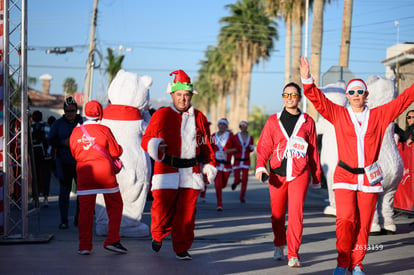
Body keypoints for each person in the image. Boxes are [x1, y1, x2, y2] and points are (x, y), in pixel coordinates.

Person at [299, 56, 414, 275]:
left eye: (359, 92)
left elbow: (404, 100)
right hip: (344, 177)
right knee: (344, 220)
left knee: (364, 224)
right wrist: (306, 79)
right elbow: (318, 100)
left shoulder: (380, 115)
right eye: (351, 92)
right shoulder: (339, 114)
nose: (355, 96)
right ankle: (343, 263)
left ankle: (357, 263)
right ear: (347, 96)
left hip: (370, 179)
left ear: (366, 94)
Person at [141, 69, 217, 261]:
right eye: (179, 95)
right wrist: (156, 145)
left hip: (191, 173)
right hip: (166, 170)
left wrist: (209, 166)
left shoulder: (199, 117)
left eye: (186, 95)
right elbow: (146, 139)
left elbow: (207, 145)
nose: (183, 99)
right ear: (172, 95)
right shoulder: (161, 114)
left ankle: (182, 248)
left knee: (186, 216)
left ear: (191, 96)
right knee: (161, 211)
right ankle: (158, 234)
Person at [255, 81, 321, 268]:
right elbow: (264, 147)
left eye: (293, 95)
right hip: (277, 175)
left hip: (299, 174)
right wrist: (261, 166)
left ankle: (293, 253)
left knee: (296, 214)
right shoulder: (272, 121)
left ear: (299, 98)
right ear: (283, 98)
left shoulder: (308, 121)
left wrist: (316, 176)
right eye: (286, 95)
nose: (290, 98)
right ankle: (278, 244)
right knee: (277, 215)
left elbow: (313, 151)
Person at [70, 100, 126, 255]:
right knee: (115, 205)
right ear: (100, 113)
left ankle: (85, 246)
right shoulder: (104, 129)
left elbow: (74, 152)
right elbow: (116, 152)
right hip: (105, 173)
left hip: (84, 173)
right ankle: (113, 240)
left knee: (85, 211)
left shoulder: (76, 131)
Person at [48, 97, 83, 229]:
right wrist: (63, 142)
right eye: (67, 111)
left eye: (72, 111)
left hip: (80, 163)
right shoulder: (58, 124)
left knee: (82, 193)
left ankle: (79, 219)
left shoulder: (82, 121)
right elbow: (50, 140)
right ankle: (64, 221)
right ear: (64, 111)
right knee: (64, 193)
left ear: (76, 110)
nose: (70, 113)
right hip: (63, 162)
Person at [212, 118, 236, 211]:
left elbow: (237, 148)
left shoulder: (230, 136)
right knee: (218, 184)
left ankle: (221, 187)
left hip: (226, 165)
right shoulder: (213, 136)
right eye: (220, 124)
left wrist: (228, 151)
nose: (221, 126)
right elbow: (209, 147)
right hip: (216, 164)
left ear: (226, 126)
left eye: (223, 124)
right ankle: (219, 204)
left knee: (223, 184)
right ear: (218, 125)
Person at [30, 110, 52, 207]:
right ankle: (46, 198)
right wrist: (48, 152)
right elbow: (50, 140)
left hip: (34, 155)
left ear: (32, 118)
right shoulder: (46, 126)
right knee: (46, 176)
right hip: (45, 156)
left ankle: (35, 198)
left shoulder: (30, 128)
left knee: (35, 176)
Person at [231, 121, 255, 203]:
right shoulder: (235, 137)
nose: (243, 127)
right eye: (241, 126)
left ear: (246, 127)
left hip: (246, 161)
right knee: (237, 178)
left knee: (245, 179)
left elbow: (251, 149)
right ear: (239, 127)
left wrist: (251, 148)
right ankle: (235, 183)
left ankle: (242, 196)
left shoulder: (250, 137)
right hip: (237, 161)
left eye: (244, 126)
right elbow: (231, 147)